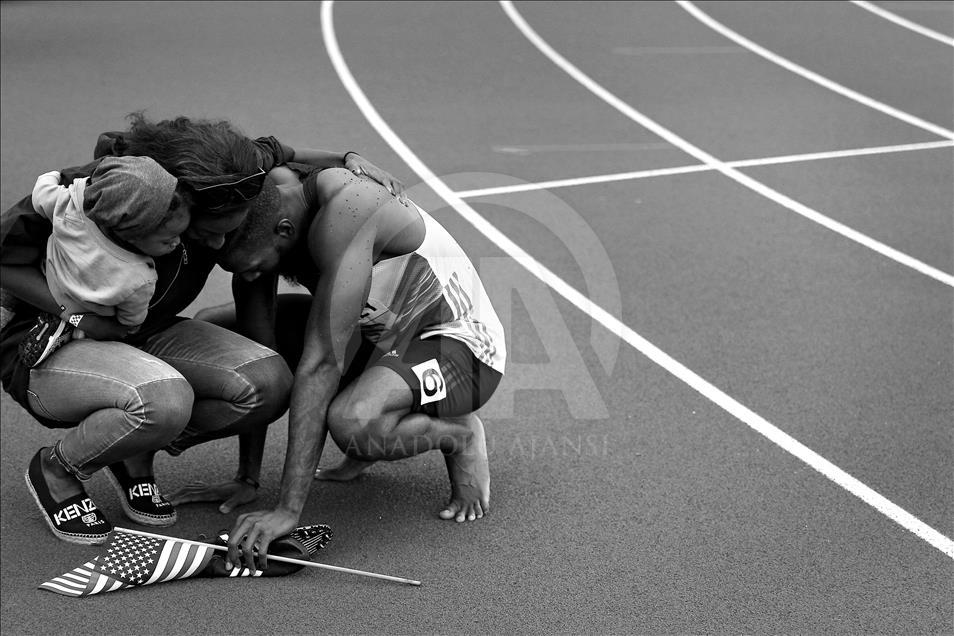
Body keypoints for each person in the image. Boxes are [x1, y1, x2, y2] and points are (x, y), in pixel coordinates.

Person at [0, 114, 410, 546]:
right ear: (178, 204)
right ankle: (58, 469)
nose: (219, 246)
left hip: (142, 330)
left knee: (268, 382)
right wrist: (78, 314)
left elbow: (274, 150)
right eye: (210, 233)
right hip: (54, 338)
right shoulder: (106, 197)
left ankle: (131, 446)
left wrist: (346, 158)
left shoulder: (227, 180)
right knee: (165, 399)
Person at [189, 166, 507, 572]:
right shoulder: (266, 206)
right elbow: (257, 351)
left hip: (463, 350)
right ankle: (379, 398)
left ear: (283, 231)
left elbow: (321, 364)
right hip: (381, 339)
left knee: (353, 423)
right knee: (215, 330)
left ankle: (459, 436)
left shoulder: (346, 215)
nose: (248, 276)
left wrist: (287, 510)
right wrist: (247, 478)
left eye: (250, 265)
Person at [20, 157, 192, 367]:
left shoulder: (71, 206)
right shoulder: (140, 278)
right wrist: (129, 328)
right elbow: (132, 319)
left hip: (50, 278)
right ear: (133, 234)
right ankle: (74, 335)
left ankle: (52, 321)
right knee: (107, 332)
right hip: (89, 310)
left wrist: (54, 176)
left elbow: (41, 194)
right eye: (167, 240)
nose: (177, 242)